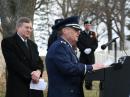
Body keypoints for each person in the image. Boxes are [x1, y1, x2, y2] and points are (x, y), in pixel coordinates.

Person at [45, 16, 106, 97]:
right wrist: (90, 67)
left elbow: (75, 66)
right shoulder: (59, 46)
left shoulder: (66, 46)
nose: (78, 33)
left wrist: (92, 69)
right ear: (65, 30)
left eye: (79, 30)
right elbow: (69, 68)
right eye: (76, 30)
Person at [1, 17, 44, 97]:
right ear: (18, 28)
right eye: (26, 27)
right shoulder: (8, 42)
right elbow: (14, 63)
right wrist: (31, 74)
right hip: (18, 88)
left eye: (31, 28)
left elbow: (39, 62)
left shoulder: (33, 45)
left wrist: (38, 71)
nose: (29, 30)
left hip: (35, 89)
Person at [77, 19, 98, 90]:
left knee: (91, 71)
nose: (88, 26)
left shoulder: (93, 34)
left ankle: (89, 86)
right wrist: (83, 49)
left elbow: (96, 44)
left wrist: (91, 49)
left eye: (89, 25)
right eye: (86, 25)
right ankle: (79, 85)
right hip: (83, 55)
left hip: (91, 56)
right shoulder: (80, 33)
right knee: (82, 70)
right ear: (84, 26)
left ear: (90, 26)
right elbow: (78, 43)